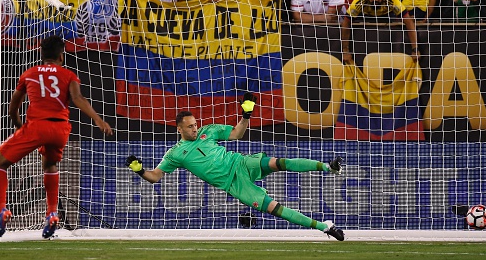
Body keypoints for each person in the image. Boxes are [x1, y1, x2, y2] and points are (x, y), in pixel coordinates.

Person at [125, 99, 345, 241]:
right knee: (274, 208)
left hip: (240, 162)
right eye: (190, 126)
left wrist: (246, 115)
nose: (195, 128)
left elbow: (237, 134)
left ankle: (328, 167)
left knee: (278, 162)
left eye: (195, 124)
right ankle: (324, 227)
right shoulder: (174, 153)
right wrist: (139, 170)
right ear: (179, 128)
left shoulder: (208, 131)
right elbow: (154, 176)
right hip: (234, 184)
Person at [0, 35, 113, 239]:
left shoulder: (29, 74)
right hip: (59, 130)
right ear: (61, 56)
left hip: (36, 126)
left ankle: (2, 209)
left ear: (41, 53)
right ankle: (52, 213)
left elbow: (13, 107)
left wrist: (21, 128)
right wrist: (98, 120)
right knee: (49, 165)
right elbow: (77, 98)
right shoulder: (69, 75)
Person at [341, 0, 420, 65]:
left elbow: (408, 21)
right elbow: (346, 22)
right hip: (366, 16)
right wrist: (345, 51)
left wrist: (415, 49)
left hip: (387, 16)